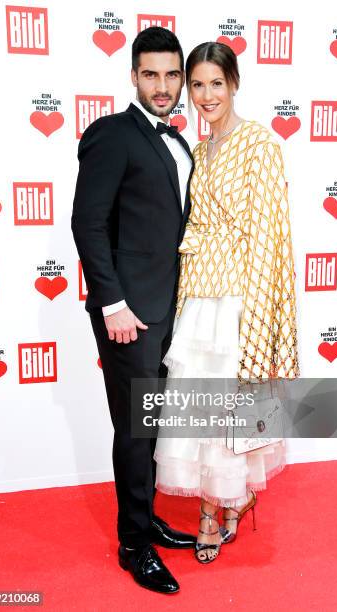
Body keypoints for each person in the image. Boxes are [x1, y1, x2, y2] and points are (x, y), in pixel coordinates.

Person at [154, 42, 300, 564]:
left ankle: (218, 509)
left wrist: (257, 322)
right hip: (199, 292)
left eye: (217, 82)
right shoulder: (199, 148)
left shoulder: (259, 143)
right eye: (197, 85)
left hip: (239, 296)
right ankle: (218, 503)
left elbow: (268, 237)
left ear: (234, 83)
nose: (206, 94)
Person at [71, 27, 197, 594]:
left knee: (153, 425)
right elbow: (88, 224)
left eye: (173, 74)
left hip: (172, 311)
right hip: (131, 316)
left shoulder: (178, 141)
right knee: (135, 428)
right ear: (133, 77)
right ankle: (133, 545)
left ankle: (145, 520)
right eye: (152, 74)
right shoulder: (112, 135)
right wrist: (113, 304)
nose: (164, 85)